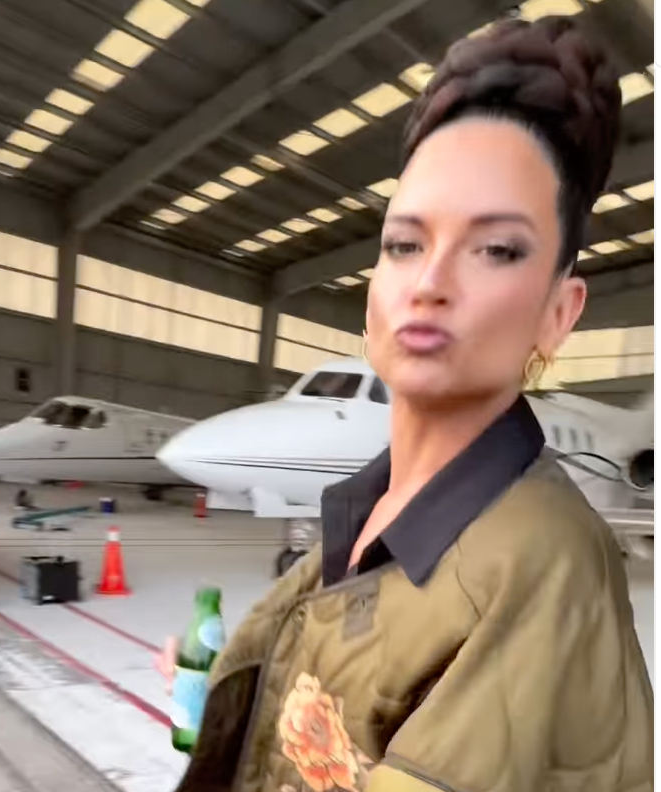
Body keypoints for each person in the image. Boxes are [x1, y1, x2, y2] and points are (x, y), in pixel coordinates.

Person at [159, 16, 653, 792]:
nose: (428, 282)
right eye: (404, 243)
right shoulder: (365, 515)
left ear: (557, 315)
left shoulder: (542, 567)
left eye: (496, 248)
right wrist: (236, 692)